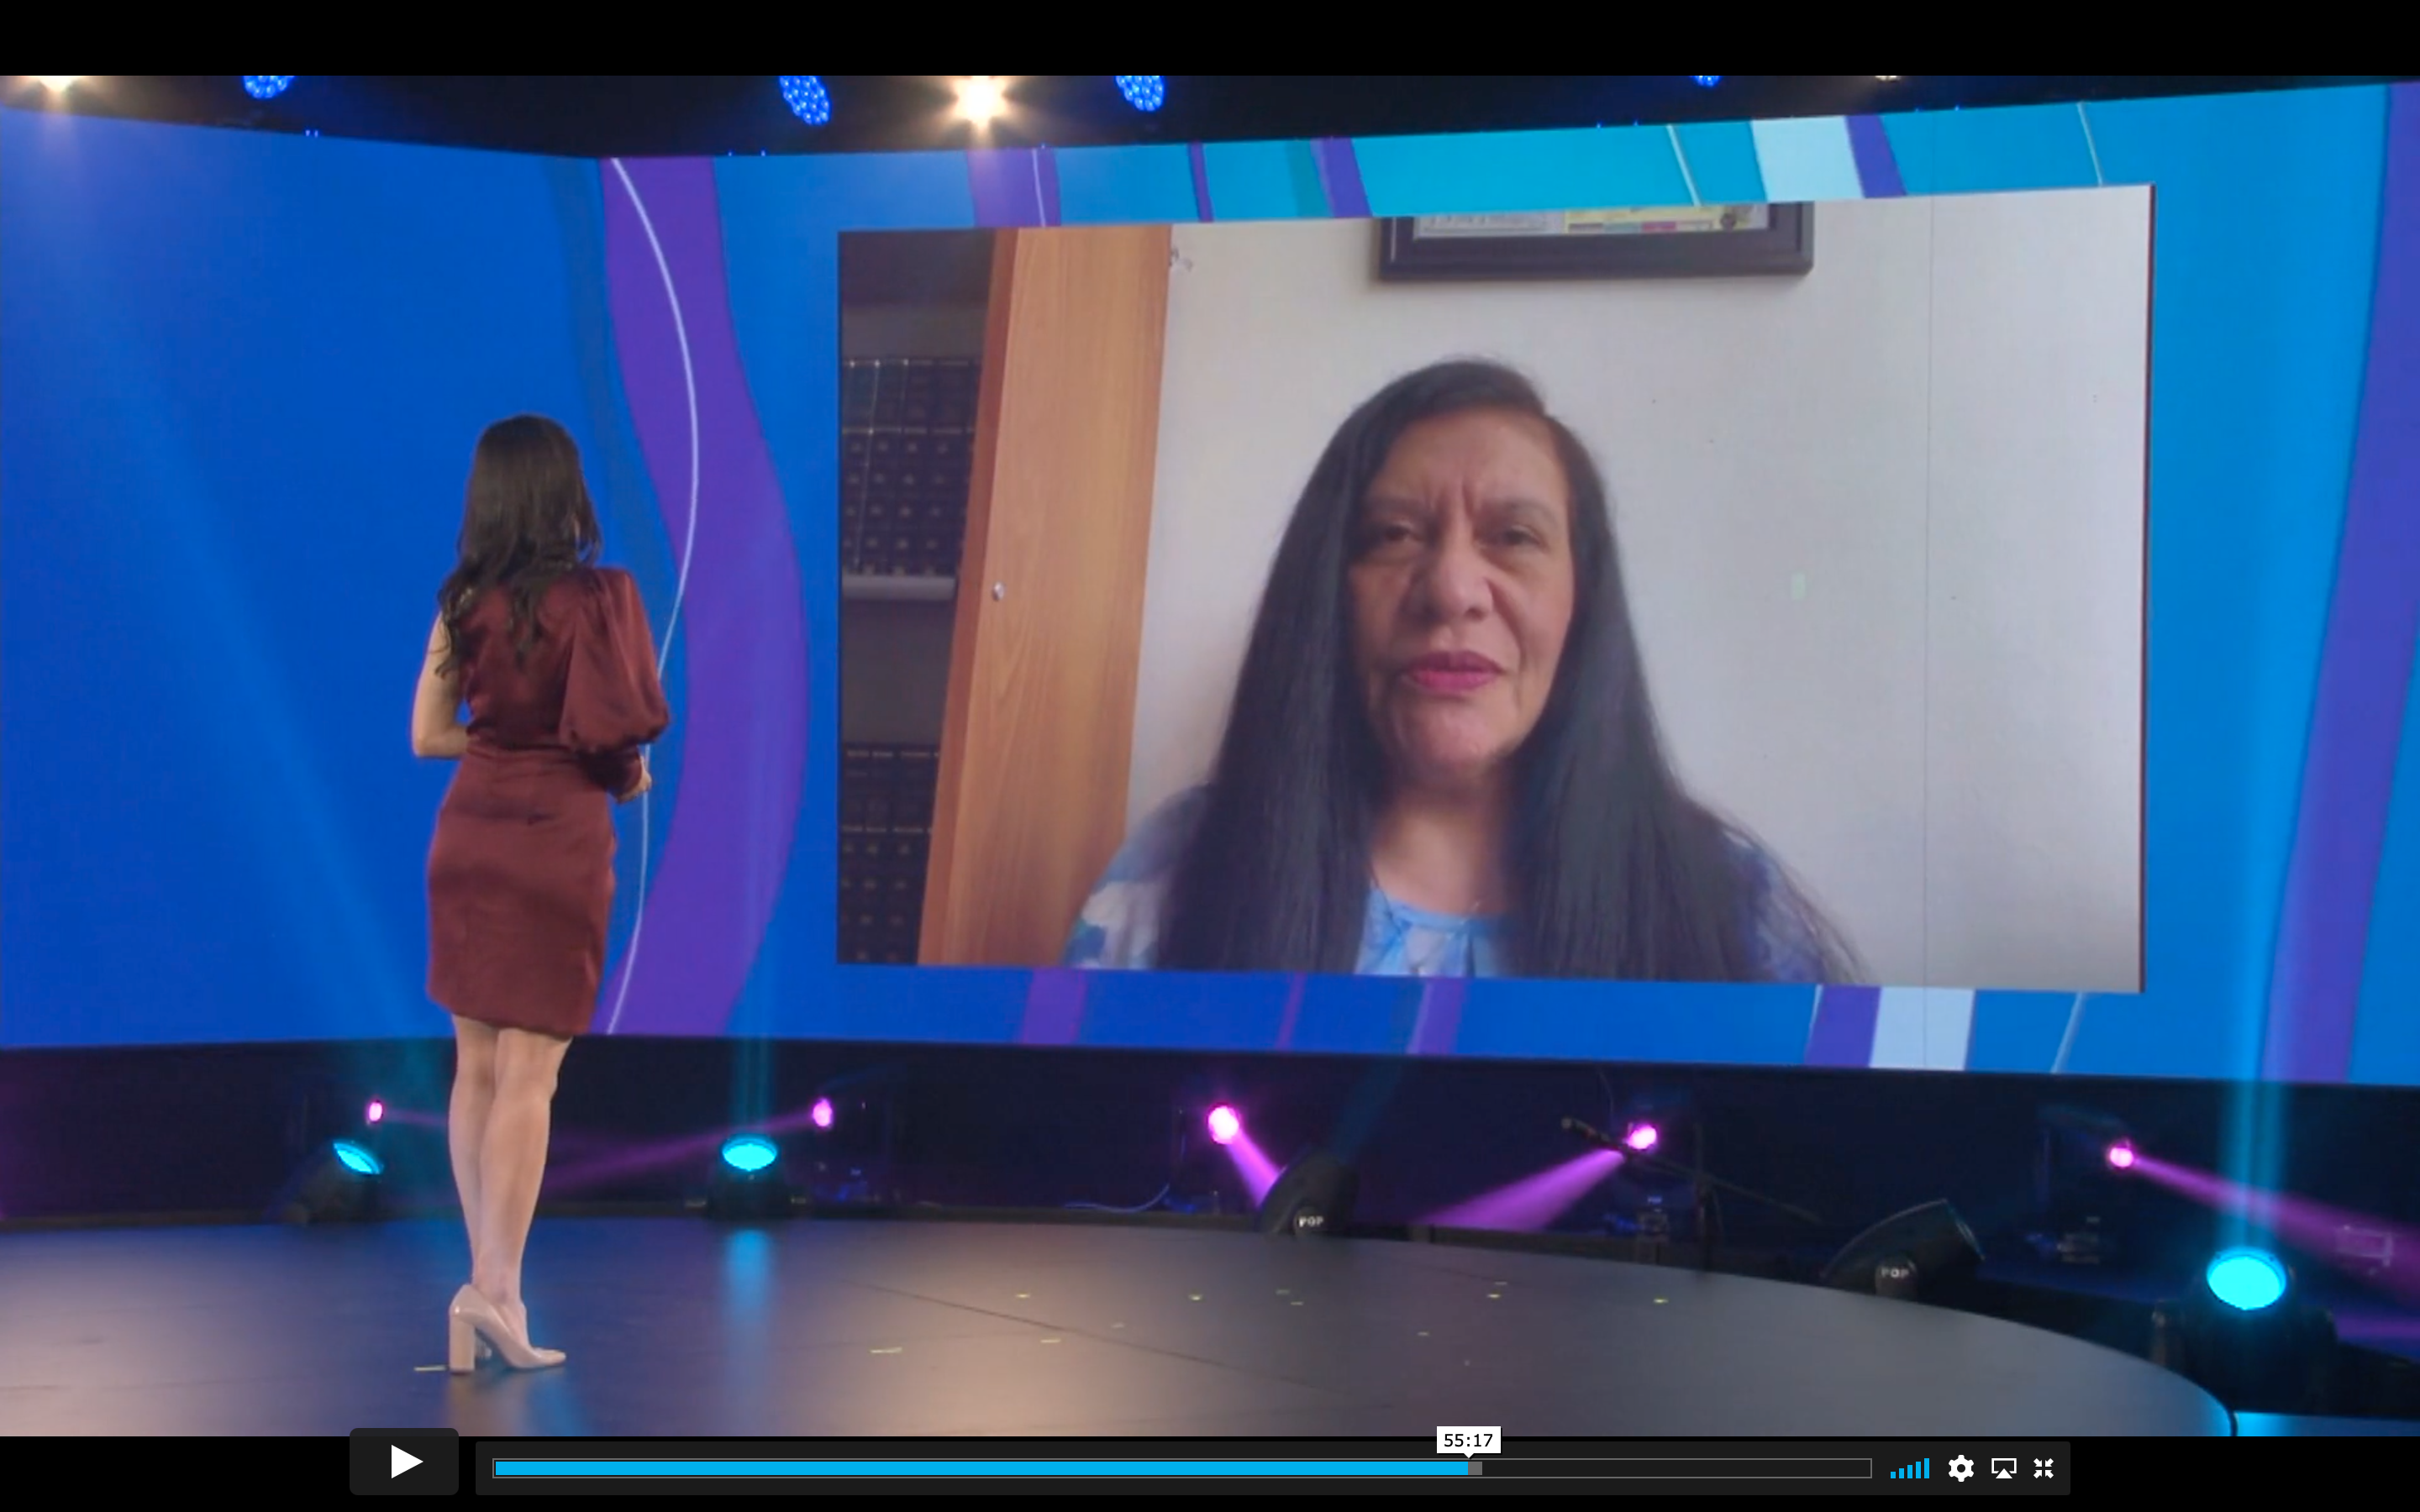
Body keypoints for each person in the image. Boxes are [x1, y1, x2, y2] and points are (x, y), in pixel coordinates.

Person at [1065, 360, 1857, 984]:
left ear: (1582, 600)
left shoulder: (1730, 903)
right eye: (1394, 535)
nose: (1450, 589)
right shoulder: (1180, 873)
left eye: (1514, 537)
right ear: (1328, 590)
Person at [412, 415, 670, 1372]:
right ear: (566, 492)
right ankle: (497, 1288)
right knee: (531, 1074)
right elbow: (613, 745)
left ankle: (484, 1293)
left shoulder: (461, 602)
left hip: (469, 838)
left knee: (476, 1069)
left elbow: (428, 735)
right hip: (556, 845)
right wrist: (626, 775)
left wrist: (500, 743)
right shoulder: (602, 600)